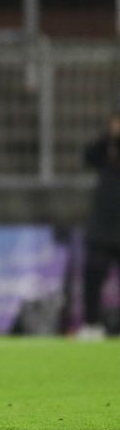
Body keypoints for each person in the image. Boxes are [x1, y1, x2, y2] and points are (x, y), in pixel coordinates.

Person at [79, 112, 120, 340]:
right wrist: (109, 138)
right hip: (102, 228)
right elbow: (88, 156)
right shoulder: (106, 150)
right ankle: (91, 323)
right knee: (93, 277)